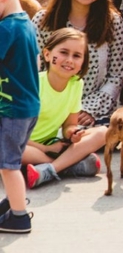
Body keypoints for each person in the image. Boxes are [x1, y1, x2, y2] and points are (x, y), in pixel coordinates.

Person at [33, 0, 123, 127]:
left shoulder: (112, 22)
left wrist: (87, 109)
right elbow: (33, 71)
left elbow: (116, 76)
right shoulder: (43, 21)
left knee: (102, 135)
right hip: (48, 108)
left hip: (94, 112)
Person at [23, 28, 105, 189]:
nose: (69, 60)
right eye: (63, 52)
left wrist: (72, 133)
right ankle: (66, 165)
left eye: (76, 56)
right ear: (47, 54)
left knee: (103, 132)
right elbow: (12, 133)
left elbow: (69, 124)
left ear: (83, 62)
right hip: (24, 144)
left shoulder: (76, 84)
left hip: (52, 142)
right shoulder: (32, 85)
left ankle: (49, 169)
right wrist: (46, 148)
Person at [0, 0, 39, 234]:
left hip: (13, 110)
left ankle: (19, 216)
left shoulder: (6, 29)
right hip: (27, 107)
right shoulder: (25, 23)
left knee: (8, 165)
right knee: (8, 160)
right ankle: (13, 201)